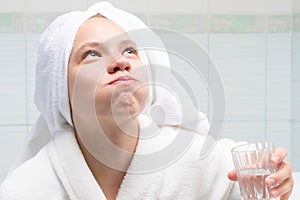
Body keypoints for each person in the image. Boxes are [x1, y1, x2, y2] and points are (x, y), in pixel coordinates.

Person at [0, 2, 293, 200]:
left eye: (129, 51)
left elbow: (269, 186)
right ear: (59, 90)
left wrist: (280, 184)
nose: (120, 63)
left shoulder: (198, 159)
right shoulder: (27, 188)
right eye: (91, 54)